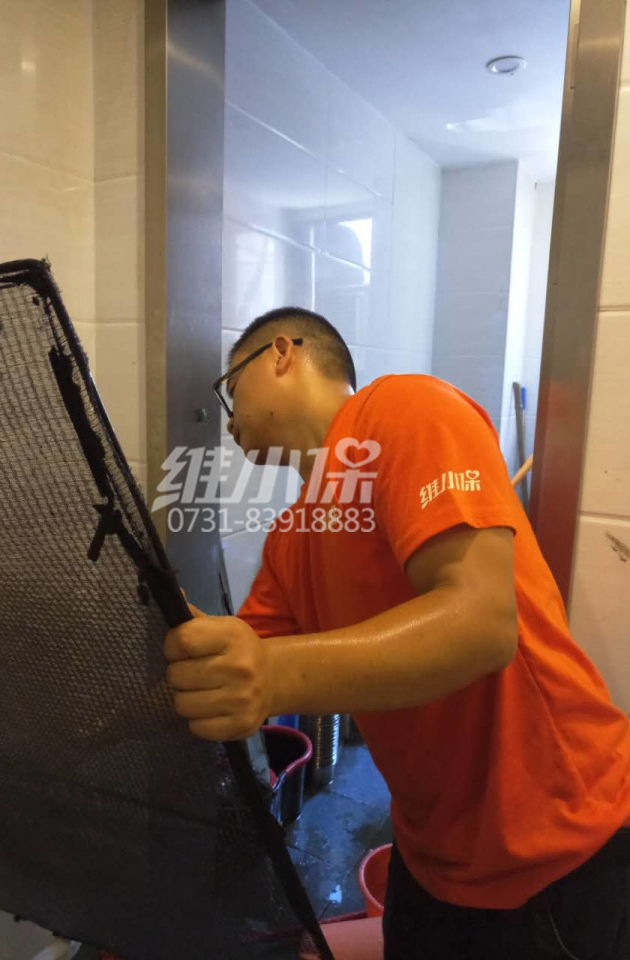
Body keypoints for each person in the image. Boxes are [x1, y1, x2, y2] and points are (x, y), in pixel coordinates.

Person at [164, 307, 630, 959]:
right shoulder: (293, 538)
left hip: (557, 847)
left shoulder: (403, 409)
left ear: (281, 355)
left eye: (231, 388)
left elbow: (482, 624)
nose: (230, 418)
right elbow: (237, 662)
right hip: (429, 857)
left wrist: (269, 675)